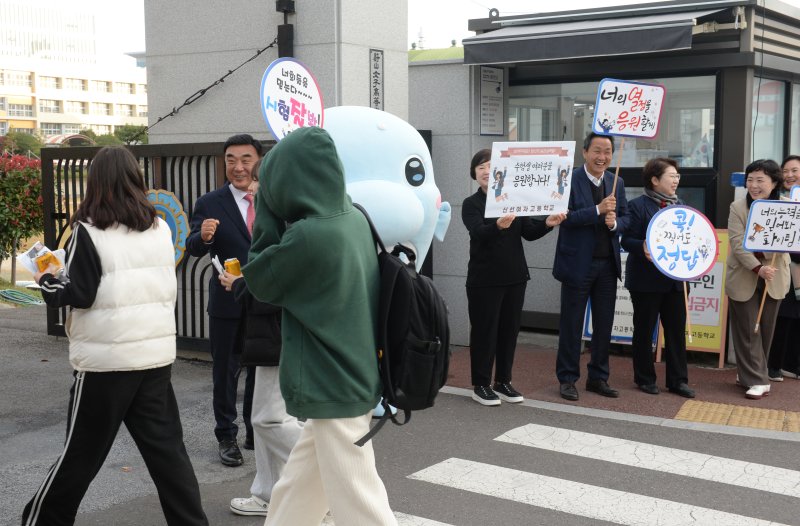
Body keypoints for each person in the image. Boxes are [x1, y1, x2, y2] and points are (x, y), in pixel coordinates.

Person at [23, 147, 208, 525]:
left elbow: (79, 294)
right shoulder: (158, 227)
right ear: (134, 179)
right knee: (168, 454)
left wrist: (45, 279)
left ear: (96, 182)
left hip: (106, 364)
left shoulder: (88, 231)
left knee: (80, 455)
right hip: (153, 357)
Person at [242, 126, 397, 525]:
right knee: (299, 488)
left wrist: (268, 212)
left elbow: (259, 279)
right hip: (353, 370)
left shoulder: (310, 235)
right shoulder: (352, 217)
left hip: (332, 379)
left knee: (360, 501)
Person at [219, 161, 304, 517]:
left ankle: (323, 473)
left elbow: (280, 289)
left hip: (281, 333)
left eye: (258, 181)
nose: (251, 188)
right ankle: (268, 493)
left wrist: (240, 284)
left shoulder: (290, 227)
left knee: (270, 419)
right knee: (263, 420)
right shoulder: (282, 221)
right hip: (269, 334)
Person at [462, 149, 566, 406]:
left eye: (491, 166)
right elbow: (478, 233)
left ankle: (503, 381)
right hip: (484, 280)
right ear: (475, 174)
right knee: (484, 332)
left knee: (509, 332)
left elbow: (528, 232)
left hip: (515, 276)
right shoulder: (471, 204)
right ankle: (481, 384)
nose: (487, 171)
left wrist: (547, 224)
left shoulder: (513, 199)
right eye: (481, 167)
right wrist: (497, 226)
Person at [186, 134, 261, 466]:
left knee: (262, 369)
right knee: (225, 372)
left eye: (245, 159)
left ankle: (255, 430)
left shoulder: (273, 198)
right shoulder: (211, 202)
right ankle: (226, 436)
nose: (238, 166)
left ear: (258, 161)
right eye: (231, 159)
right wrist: (202, 237)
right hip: (227, 301)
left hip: (264, 301)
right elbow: (192, 245)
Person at [553, 132, 628, 401]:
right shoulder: (569, 178)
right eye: (597, 151)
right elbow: (565, 217)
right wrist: (597, 210)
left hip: (607, 264)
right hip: (577, 264)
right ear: (584, 152)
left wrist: (615, 223)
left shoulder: (616, 181)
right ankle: (567, 378)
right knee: (572, 324)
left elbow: (626, 217)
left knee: (604, 325)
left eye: (607, 151)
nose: (603, 157)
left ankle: (598, 377)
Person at [620, 158, 695, 398]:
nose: (676, 180)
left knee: (675, 332)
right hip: (645, 281)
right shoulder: (637, 206)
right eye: (671, 176)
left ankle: (678, 380)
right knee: (644, 330)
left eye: (677, 176)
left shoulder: (681, 207)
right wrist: (642, 244)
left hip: (675, 282)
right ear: (654, 180)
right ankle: (644, 377)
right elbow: (626, 239)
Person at [726, 159, 791, 400]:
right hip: (745, 274)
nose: (753, 185)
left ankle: (748, 373)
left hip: (775, 276)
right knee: (747, 329)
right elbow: (737, 243)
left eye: (760, 180)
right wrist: (758, 267)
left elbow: (791, 241)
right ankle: (757, 379)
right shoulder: (737, 207)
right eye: (750, 180)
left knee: (765, 329)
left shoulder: (789, 207)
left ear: (774, 183)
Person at [766, 155, 800, 381]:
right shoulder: (776, 199)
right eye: (785, 170)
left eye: (794, 170)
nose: (789, 175)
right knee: (783, 316)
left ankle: (792, 364)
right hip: (783, 265)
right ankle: (773, 364)